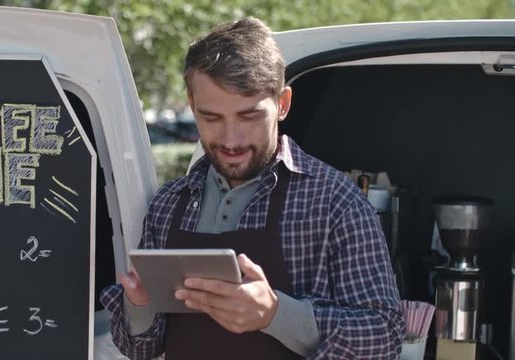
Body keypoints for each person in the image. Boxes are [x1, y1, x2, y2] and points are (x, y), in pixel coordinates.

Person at [100, 17, 404, 359]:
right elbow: (138, 349)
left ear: (283, 104)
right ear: (191, 103)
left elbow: (384, 337)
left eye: (248, 116)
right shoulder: (170, 205)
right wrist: (140, 305)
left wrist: (276, 315)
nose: (231, 140)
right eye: (212, 117)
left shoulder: (334, 203)